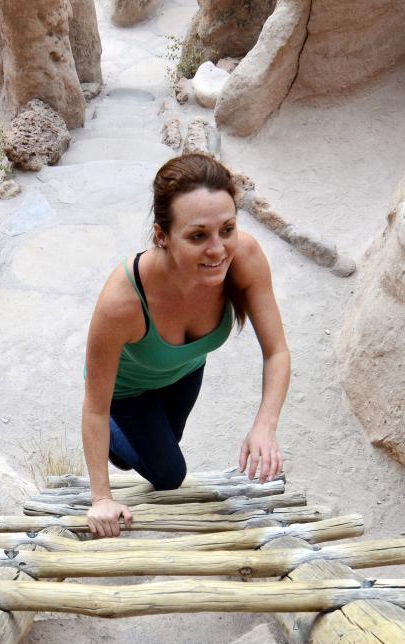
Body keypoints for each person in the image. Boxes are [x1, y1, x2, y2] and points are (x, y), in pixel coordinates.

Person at [81, 153, 291, 538]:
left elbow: (276, 351)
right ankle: (119, 434)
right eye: (198, 236)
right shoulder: (122, 301)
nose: (217, 249)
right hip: (125, 392)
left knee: (162, 445)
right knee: (169, 475)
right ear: (162, 235)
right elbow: (93, 406)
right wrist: (101, 499)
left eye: (227, 229)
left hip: (185, 370)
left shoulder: (244, 257)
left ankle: (139, 439)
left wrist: (265, 426)